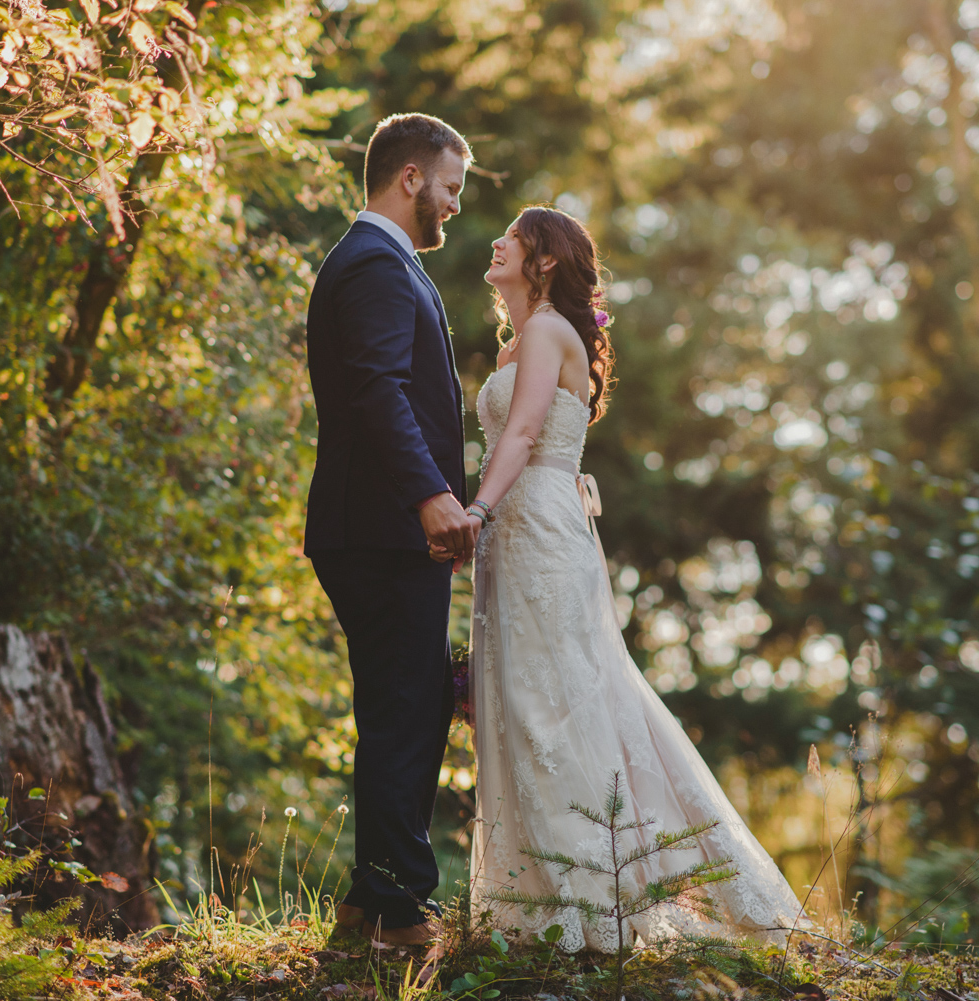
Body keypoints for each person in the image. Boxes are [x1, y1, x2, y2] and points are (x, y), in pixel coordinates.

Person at [461, 205, 807, 952]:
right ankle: (543, 900)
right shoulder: (521, 342)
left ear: (544, 260)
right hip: (515, 531)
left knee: (559, 701)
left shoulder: (550, 332)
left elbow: (522, 434)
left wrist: (476, 510)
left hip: (539, 527)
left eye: (511, 237)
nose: (496, 242)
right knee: (522, 699)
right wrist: (486, 521)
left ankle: (596, 899)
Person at [303, 112, 478, 948]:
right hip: (380, 523)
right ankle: (406, 913)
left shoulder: (378, 260)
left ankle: (369, 903)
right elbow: (378, 390)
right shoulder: (374, 261)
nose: (452, 205)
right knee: (408, 706)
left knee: (400, 707)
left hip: (372, 524)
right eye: (449, 188)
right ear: (410, 178)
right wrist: (429, 497)